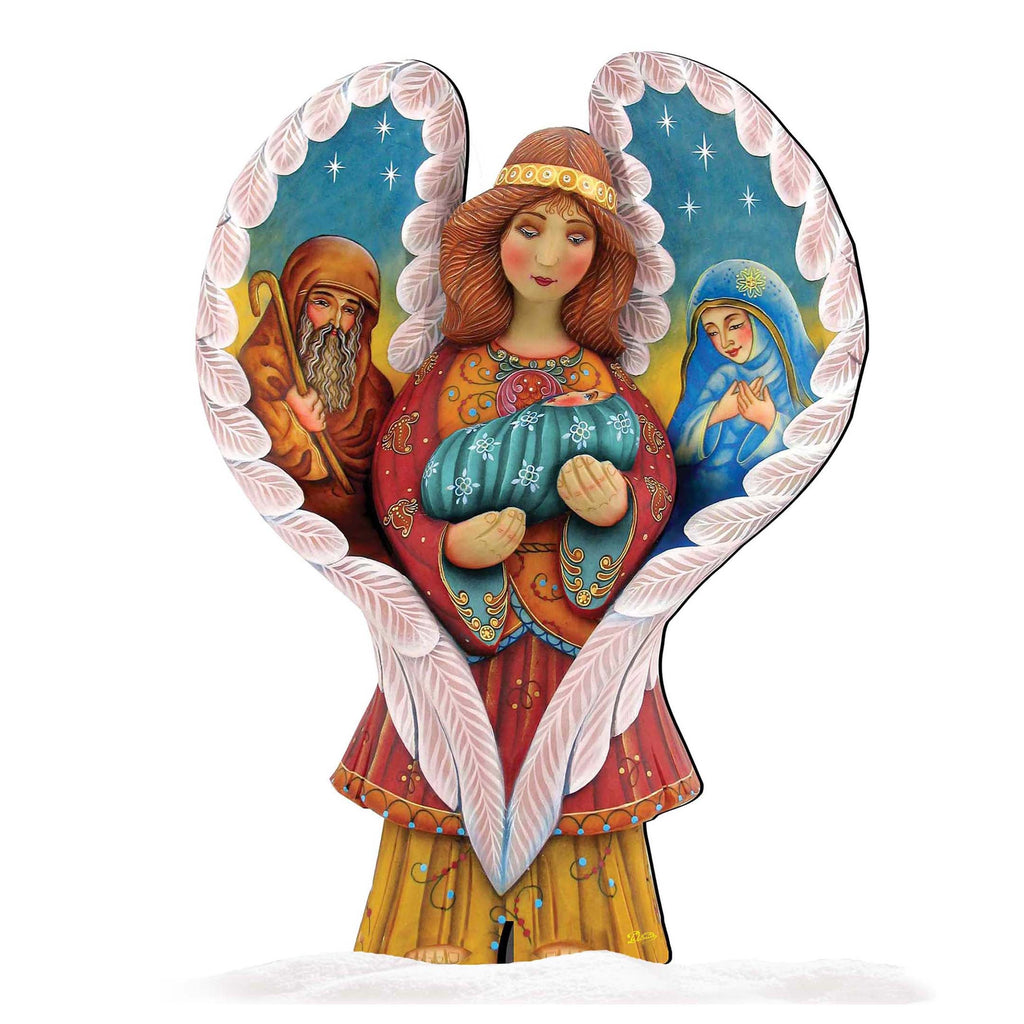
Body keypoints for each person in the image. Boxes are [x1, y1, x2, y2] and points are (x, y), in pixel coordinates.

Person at [333, 129, 698, 964]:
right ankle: (433, 955)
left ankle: (587, 961)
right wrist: (451, 548)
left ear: (602, 260)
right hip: (464, 648)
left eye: (576, 237)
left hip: (576, 652)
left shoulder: (607, 386)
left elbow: (655, 487)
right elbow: (395, 486)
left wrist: (612, 511)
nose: (550, 256)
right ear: (492, 238)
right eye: (530, 229)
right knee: (446, 801)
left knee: (576, 804)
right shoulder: (444, 378)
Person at [238, 235, 393, 561]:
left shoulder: (375, 391)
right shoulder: (262, 368)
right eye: (322, 303)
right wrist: (293, 419)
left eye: (349, 310)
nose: (336, 322)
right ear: (296, 298)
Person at [658, 259, 821, 551]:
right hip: (701, 506)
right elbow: (675, 453)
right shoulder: (724, 377)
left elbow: (813, 449)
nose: (725, 341)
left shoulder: (790, 380)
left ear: (766, 320)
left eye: (734, 325)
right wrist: (716, 414)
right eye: (712, 332)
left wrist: (770, 420)